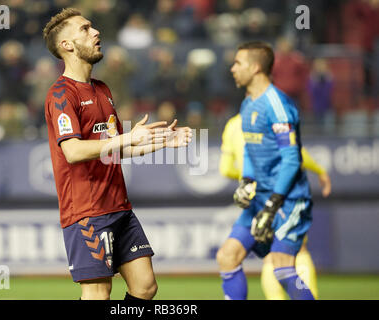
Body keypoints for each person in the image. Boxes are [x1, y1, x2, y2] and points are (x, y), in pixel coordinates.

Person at [42, 8, 192, 300]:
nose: (96, 32)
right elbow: (72, 151)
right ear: (67, 45)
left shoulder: (102, 89)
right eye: (85, 29)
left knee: (145, 287)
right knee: (99, 292)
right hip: (86, 211)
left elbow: (113, 149)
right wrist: (128, 136)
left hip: (119, 206)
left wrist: (161, 142)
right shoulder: (61, 94)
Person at [216, 41, 315, 300]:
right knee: (227, 256)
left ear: (256, 67)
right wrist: (247, 180)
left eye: (238, 63)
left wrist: (273, 204)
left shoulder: (277, 106)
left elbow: (292, 160)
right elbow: (249, 149)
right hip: (260, 199)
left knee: (282, 267)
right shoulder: (248, 103)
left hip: (287, 200)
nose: (232, 68)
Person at [219, 112, 331, 299]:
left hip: (254, 199)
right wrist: (319, 169)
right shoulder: (272, 119)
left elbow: (225, 168)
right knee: (292, 255)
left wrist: (246, 178)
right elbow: (296, 154)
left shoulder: (232, 125)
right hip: (280, 197)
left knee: (262, 259)